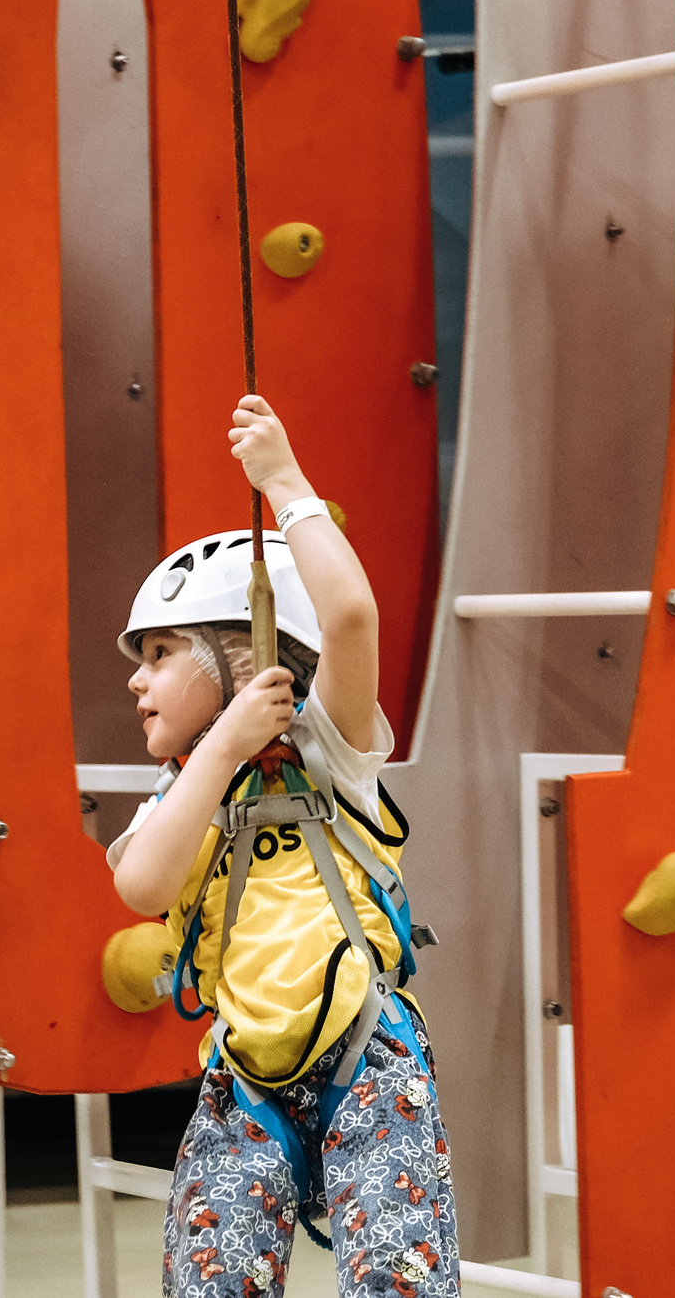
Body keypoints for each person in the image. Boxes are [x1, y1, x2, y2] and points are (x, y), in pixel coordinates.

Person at [110, 394, 459, 1298]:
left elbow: (350, 620)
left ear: (242, 653)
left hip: (367, 1063)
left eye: (160, 653)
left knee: (398, 1280)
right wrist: (225, 742)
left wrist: (285, 482)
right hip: (244, 1084)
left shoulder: (329, 752)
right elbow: (142, 886)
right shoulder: (183, 795)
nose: (137, 680)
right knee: (211, 1281)